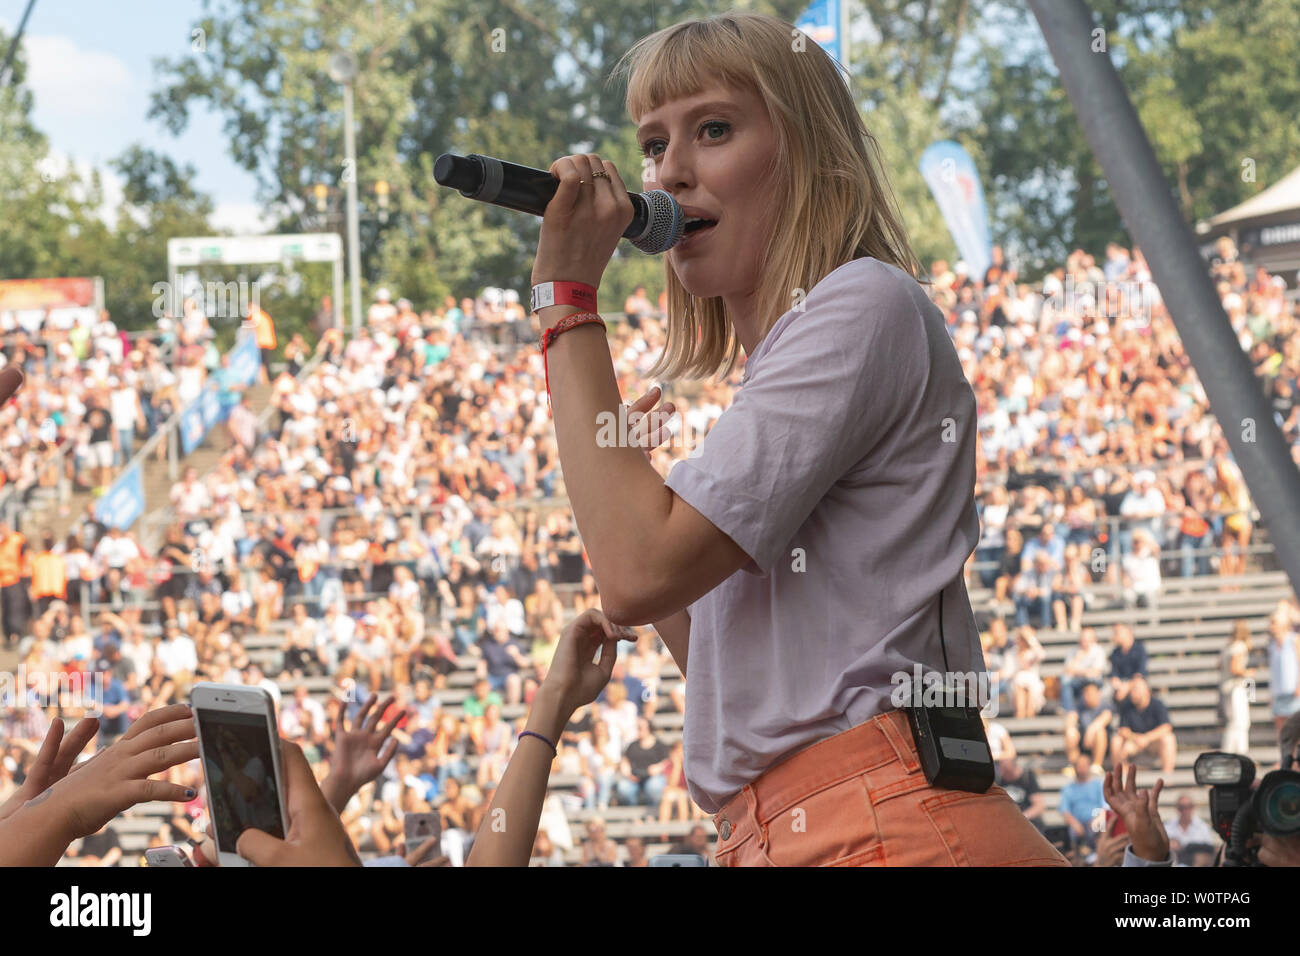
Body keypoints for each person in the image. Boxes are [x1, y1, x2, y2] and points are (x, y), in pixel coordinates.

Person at [527, 10, 1066, 866]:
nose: (670, 173)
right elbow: (720, 663)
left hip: (877, 825)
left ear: (810, 151)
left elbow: (632, 574)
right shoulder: (789, 364)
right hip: (796, 826)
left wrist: (565, 297)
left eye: (713, 129)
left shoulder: (862, 301)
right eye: (654, 145)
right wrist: (626, 473)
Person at [1111, 675, 1177, 775]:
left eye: (1136, 690)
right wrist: (1135, 738)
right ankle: (1122, 778)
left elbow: (1166, 727)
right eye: (1132, 690)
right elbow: (1122, 730)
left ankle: (1167, 778)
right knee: (1116, 741)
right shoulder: (1126, 706)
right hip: (1134, 742)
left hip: (1153, 743)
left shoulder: (1157, 704)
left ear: (1146, 691)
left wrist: (1146, 738)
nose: (1133, 693)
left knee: (1168, 739)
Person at [1058, 754, 1106, 857]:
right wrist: (1075, 824)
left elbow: (1104, 807)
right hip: (1077, 824)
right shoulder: (1068, 788)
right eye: (1079, 766)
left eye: (1084, 766)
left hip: (1096, 821)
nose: (1081, 769)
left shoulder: (1099, 785)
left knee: (1098, 829)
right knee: (1072, 832)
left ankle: (1099, 857)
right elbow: (1065, 810)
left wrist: (1096, 820)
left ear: (1089, 767)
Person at [1219, 619, 1254, 755]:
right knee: (1240, 723)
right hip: (1236, 688)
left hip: (1227, 688)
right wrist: (1248, 673)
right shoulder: (1239, 646)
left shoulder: (1228, 646)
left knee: (1233, 723)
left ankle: (1232, 753)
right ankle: (1239, 753)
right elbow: (1235, 668)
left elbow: (1219, 665)